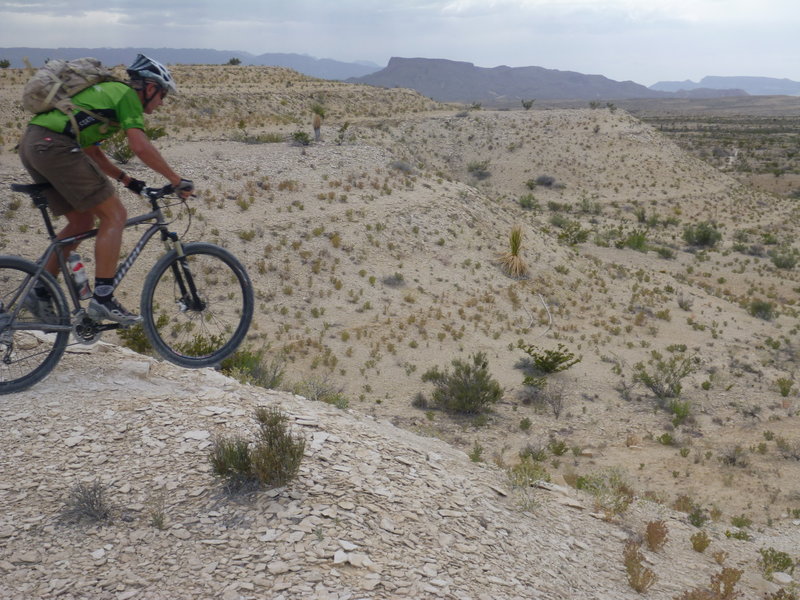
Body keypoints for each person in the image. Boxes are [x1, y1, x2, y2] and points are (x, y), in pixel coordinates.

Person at [18, 54, 194, 325]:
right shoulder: (126, 96)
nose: (161, 103)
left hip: (35, 143)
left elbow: (92, 151)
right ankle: (103, 298)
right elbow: (140, 146)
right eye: (162, 95)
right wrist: (174, 179)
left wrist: (129, 181)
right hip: (54, 146)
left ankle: (39, 291)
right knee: (115, 216)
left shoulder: (108, 97)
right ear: (149, 88)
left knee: (81, 221)